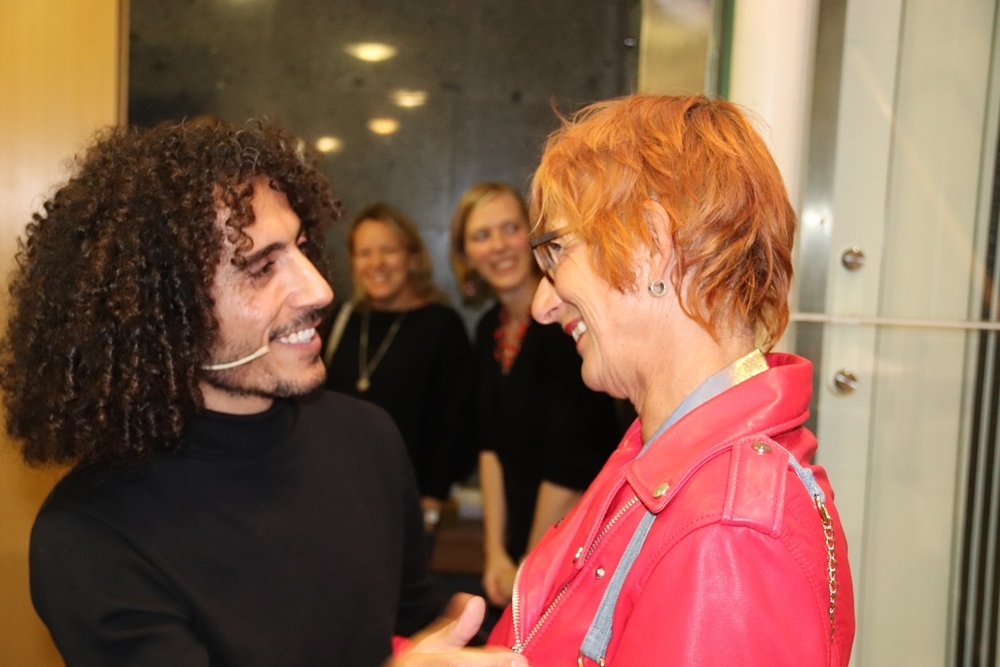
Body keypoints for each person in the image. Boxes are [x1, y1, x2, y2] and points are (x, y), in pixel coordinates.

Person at [0, 118, 524, 667]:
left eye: (301, 247)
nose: (320, 289)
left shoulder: (367, 438)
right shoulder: (91, 534)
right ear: (165, 311)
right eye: (261, 267)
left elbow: (409, 622)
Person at [487, 95, 856, 666]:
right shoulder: (669, 464)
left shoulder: (730, 532)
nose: (542, 304)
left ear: (652, 244)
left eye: (557, 252)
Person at [449, 183, 621, 610]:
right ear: (466, 255)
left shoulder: (566, 324)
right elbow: (488, 446)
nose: (498, 246)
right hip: (522, 547)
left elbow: (570, 465)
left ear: (534, 237)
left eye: (510, 228)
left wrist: (529, 567)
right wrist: (495, 551)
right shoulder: (488, 327)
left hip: (576, 547)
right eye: (481, 235)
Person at [324, 204, 475, 528]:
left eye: (388, 250)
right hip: (335, 497)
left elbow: (458, 422)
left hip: (408, 505)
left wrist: (432, 500)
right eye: (364, 253)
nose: (376, 263)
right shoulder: (342, 319)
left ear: (413, 259)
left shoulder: (441, 325)